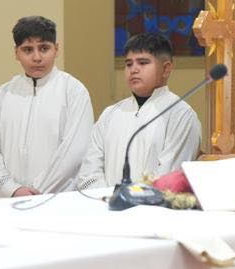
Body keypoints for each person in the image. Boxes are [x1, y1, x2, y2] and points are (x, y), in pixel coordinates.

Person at [0, 16, 94, 198]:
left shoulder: (74, 92)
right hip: (9, 200)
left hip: (57, 199)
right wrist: (12, 190)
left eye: (44, 48)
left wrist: (36, 192)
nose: (37, 57)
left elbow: (74, 151)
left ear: (56, 49)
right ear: (16, 53)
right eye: (28, 50)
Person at [76, 33, 201, 189]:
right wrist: (106, 196)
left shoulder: (181, 115)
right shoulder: (110, 114)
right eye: (129, 64)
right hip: (104, 201)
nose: (133, 69)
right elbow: (89, 171)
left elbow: (169, 177)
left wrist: (131, 198)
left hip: (153, 203)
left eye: (143, 63)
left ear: (166, 68)